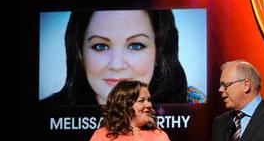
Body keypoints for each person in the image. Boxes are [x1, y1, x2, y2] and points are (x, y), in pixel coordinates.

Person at [42, 9, 206, 105]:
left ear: (159, 52)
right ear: (80, 53)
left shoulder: (191, 102)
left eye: (136, 46)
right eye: (100, 46)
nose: (117, 64)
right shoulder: (49, 111)